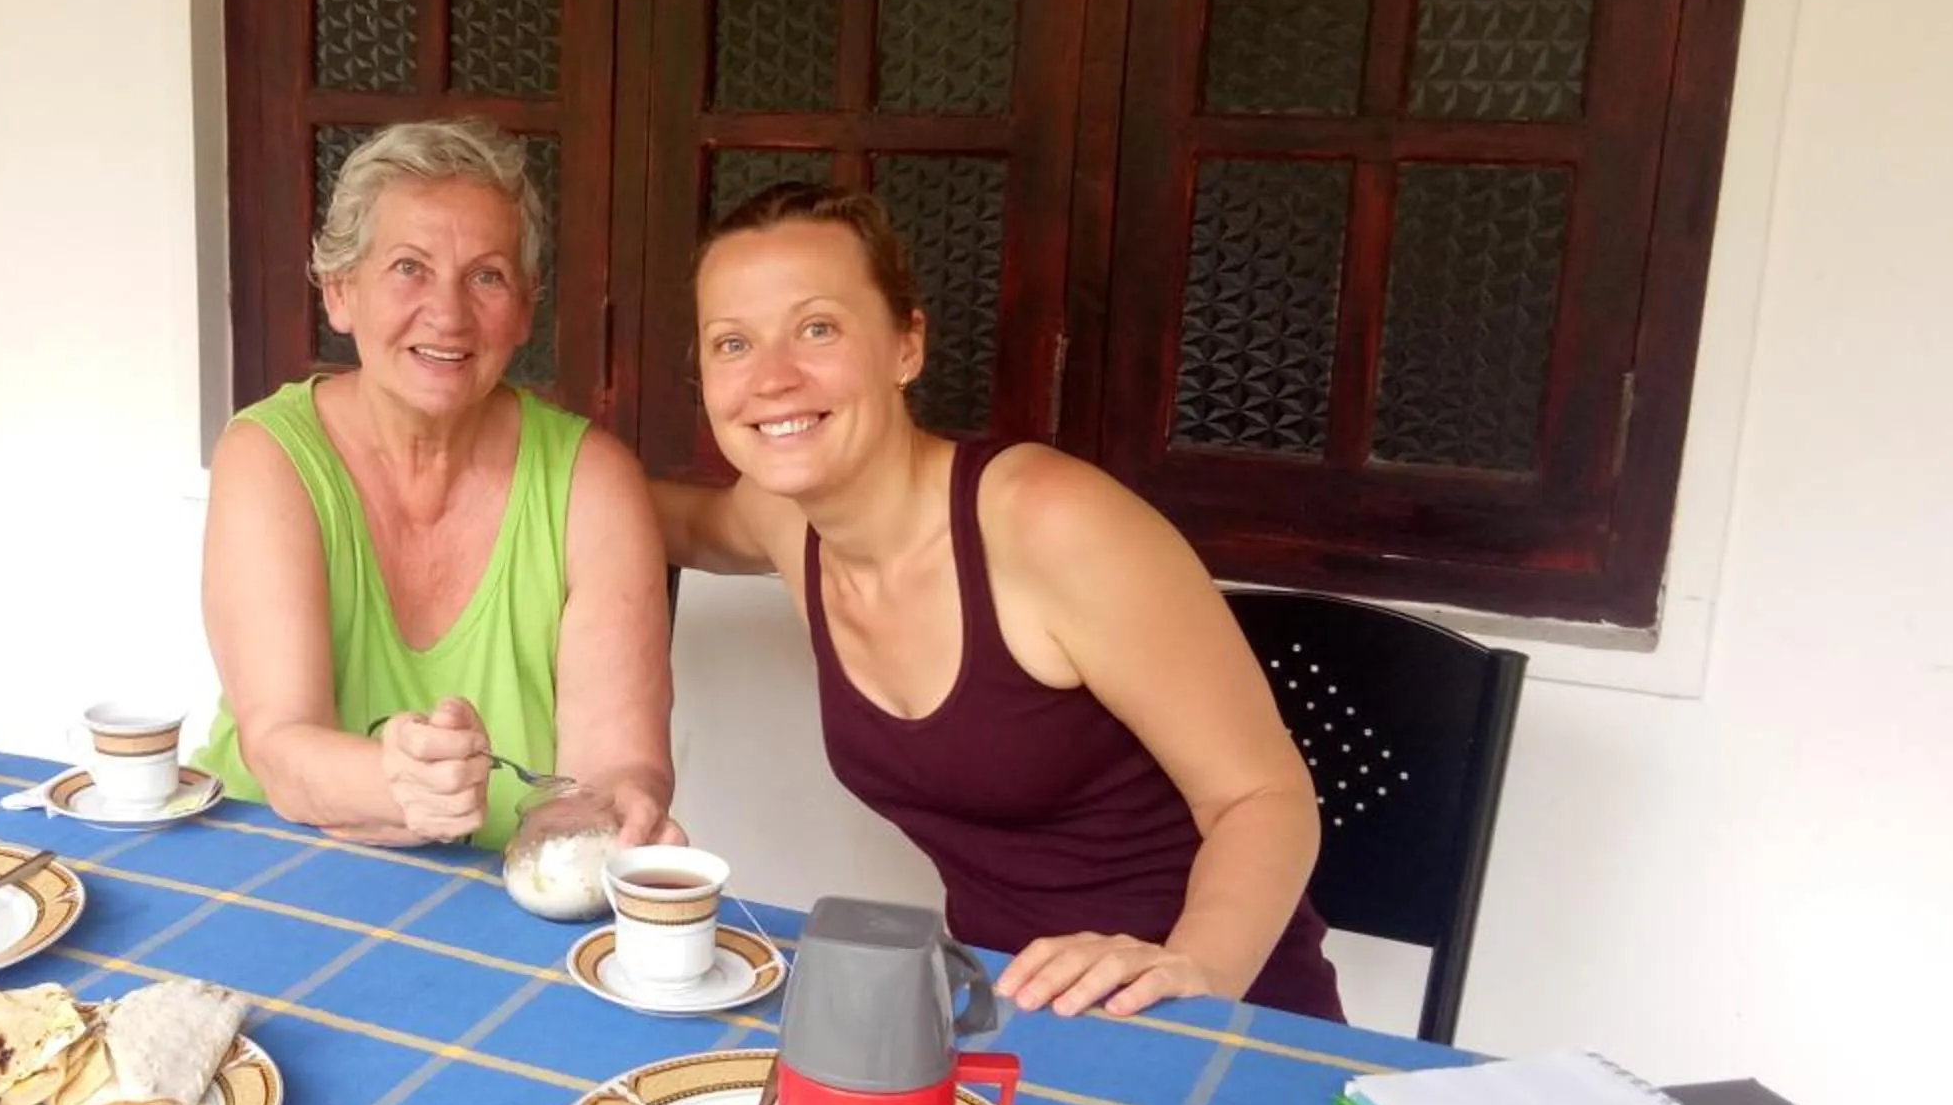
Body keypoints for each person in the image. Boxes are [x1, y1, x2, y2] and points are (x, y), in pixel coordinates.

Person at [652, 182, 1341, 1021]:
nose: (772, 378)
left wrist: (1189, 972)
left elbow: (1263, 799)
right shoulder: (782, 519)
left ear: (907, 346)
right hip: (1007, 1011)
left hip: (1206, 1015)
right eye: (732, 343)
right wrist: (485, 438)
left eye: (818, 328)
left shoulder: (1049, 522)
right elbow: (641, 514)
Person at [196, 119, 677, 852]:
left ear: (525, 306)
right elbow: (280, 747)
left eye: (486, 276)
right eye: (409, 268)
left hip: (495, 890)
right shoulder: (269, 457)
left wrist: (615, 812)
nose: (448, 314)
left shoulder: (595, 484)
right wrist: (402, 782)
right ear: (340, 291)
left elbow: (612, 766)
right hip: (272, 864)